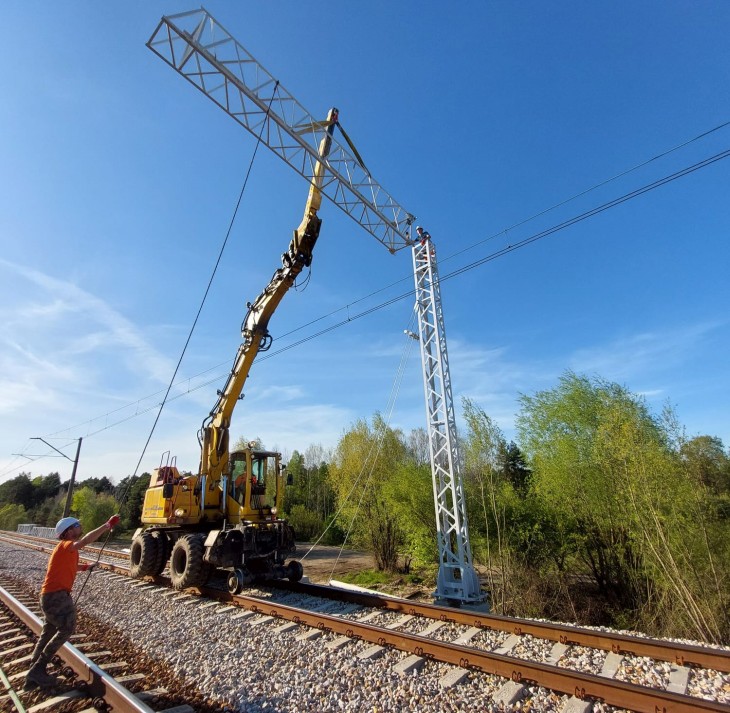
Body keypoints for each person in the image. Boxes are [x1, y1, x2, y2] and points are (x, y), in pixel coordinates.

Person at [24, 513, 120, 690]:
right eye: (76, 525)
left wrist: (85, 567)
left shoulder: (68, 551)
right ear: (68, 531)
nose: (79, 526)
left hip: (50, 597)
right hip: (57, 597)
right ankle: (37, 669)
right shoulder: (66, 545)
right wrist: (107, 525)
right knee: (67, 628)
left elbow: (71, 567)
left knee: (47, 633)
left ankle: (32, 677)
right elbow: (85, 541)